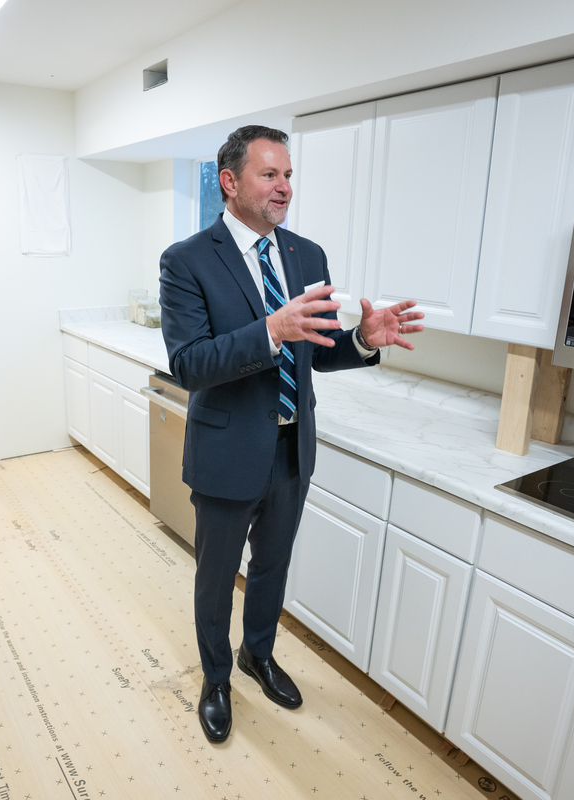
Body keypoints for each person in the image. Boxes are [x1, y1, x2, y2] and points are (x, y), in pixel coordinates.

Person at [158, 125, 425, 743]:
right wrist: (270, 330)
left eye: (288, 176)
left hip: (291, 448)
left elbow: (317, 352)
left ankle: (258, 654)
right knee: (216, 576)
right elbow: (190, 364)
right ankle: (217, 678)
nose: (284, 188)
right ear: (231, 183)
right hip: (227, 449)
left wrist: (361, 339)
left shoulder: (307, 255)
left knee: (273, 567)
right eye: (269, 175)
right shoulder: (187, 260)